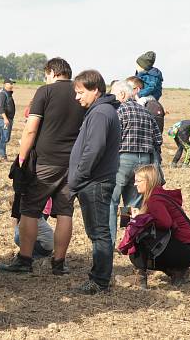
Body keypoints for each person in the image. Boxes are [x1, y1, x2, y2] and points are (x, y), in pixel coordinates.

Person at [0, 58, 85, 275]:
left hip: (45, 162)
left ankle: (25, 260)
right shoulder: (80, 92)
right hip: (71, 162)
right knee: (65, 212)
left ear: (53, 73)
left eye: (46, 75)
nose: (45, 79)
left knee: (29, 209)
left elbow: (30, 130)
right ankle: (59, 264)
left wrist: (20, 158)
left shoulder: (45, 92)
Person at [69, 69, 121, 295]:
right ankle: (99, 278)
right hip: (94, 181)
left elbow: (94, 149)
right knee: (97, 231)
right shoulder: (101, 110)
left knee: (99, 232)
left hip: (95, 182)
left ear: (95, 90)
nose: (77, 97)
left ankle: (99, 282)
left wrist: (79, 176)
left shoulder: (100, 113)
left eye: (81, 92)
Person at [124, 165, 190, 286]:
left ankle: (140, 277)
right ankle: (177, 271)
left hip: (185, 249)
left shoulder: (154, 200)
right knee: (141, 231)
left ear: (148, 181)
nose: (134, 184)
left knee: (139, 236)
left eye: (138, 181)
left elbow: (165, 223)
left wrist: (139, 218)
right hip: (189, 248)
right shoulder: (158, 195)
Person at [108, 80, 163, 245]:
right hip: (144, 161)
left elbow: (111, 137)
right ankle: (130, 239)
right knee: (133, 204)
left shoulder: (118, 110)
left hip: (123, 159)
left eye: (113, 94)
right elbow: (158, 139)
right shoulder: (145, 111)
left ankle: (109, 242)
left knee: (112, 201)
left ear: (123, 94)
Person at [0, 78, 16, 161]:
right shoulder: (2, 94)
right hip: (3, 119)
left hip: (7, 119)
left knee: (5, 138)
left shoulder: (8, 94)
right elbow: (0, 108)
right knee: (4, 137)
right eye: (10, 83)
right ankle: (3, 156)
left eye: (12, 83)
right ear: (5, 84)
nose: (12, 85)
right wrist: (5, 118)